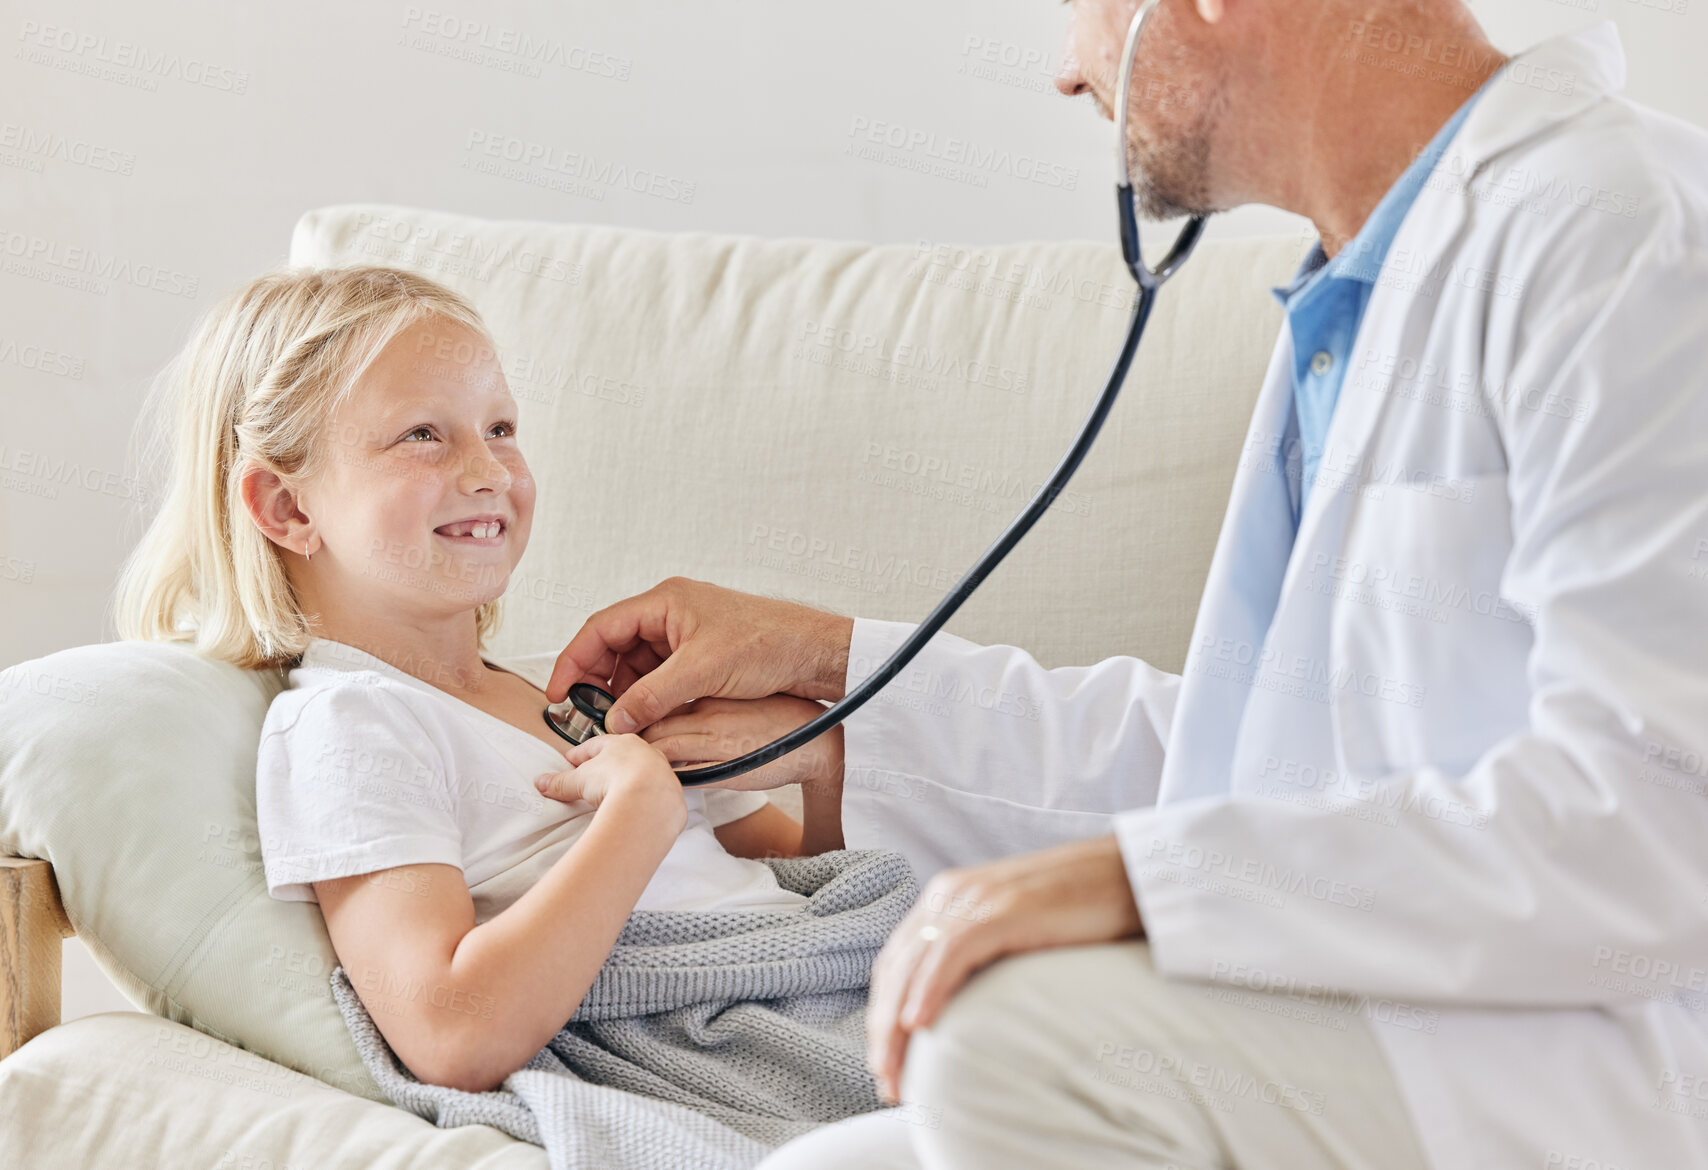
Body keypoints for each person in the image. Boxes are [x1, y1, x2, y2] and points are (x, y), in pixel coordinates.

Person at [542, 0, 1708, 1166]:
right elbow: (1269, 772)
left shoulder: (1621, 229)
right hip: (1405, 1041)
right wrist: (835, 694)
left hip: (1599, 1072)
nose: (1065, 71)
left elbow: (1663, 817)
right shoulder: (1364, 292)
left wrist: (1146, 885)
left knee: (998, 1034)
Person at [111, 266, 856, 1103]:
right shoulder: (352, 726)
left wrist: (821, 765)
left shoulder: (565, 696)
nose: (489, 470)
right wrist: (639, 814)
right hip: (734, 1046)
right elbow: (452, 1032)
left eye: (500, 426)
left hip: (825, 991)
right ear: (287, 509)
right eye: (423, 435)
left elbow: (797, 887)